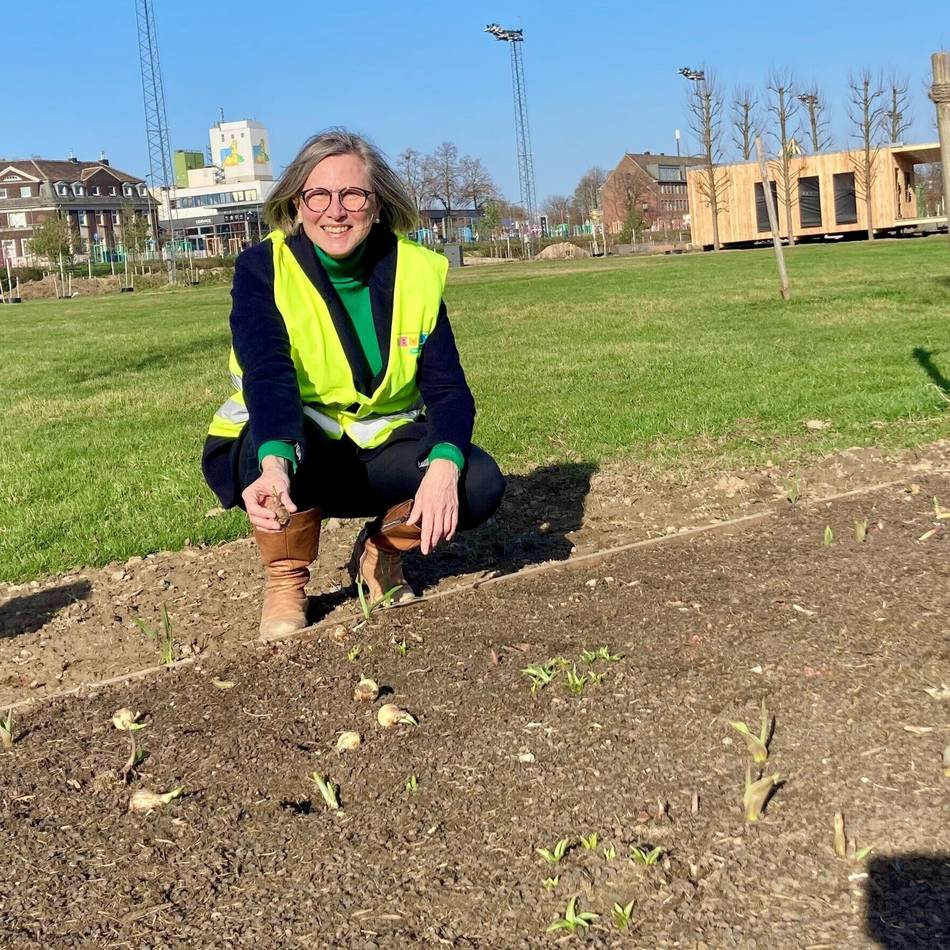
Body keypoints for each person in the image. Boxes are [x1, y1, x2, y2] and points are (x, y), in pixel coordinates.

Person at [202, 129, 505, 638]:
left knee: (478, 481)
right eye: (317, 195)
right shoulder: (262, 269)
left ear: (378, 203)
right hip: (294, 446)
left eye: (353, 195)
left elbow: (448, 390)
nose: (334, 211)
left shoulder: (416, 271)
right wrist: (275, 464)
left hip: (379, 447)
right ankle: (286, 580)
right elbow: (268, 373)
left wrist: (446, 463)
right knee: (268, 445)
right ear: (296, 204)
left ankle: (380, 555)